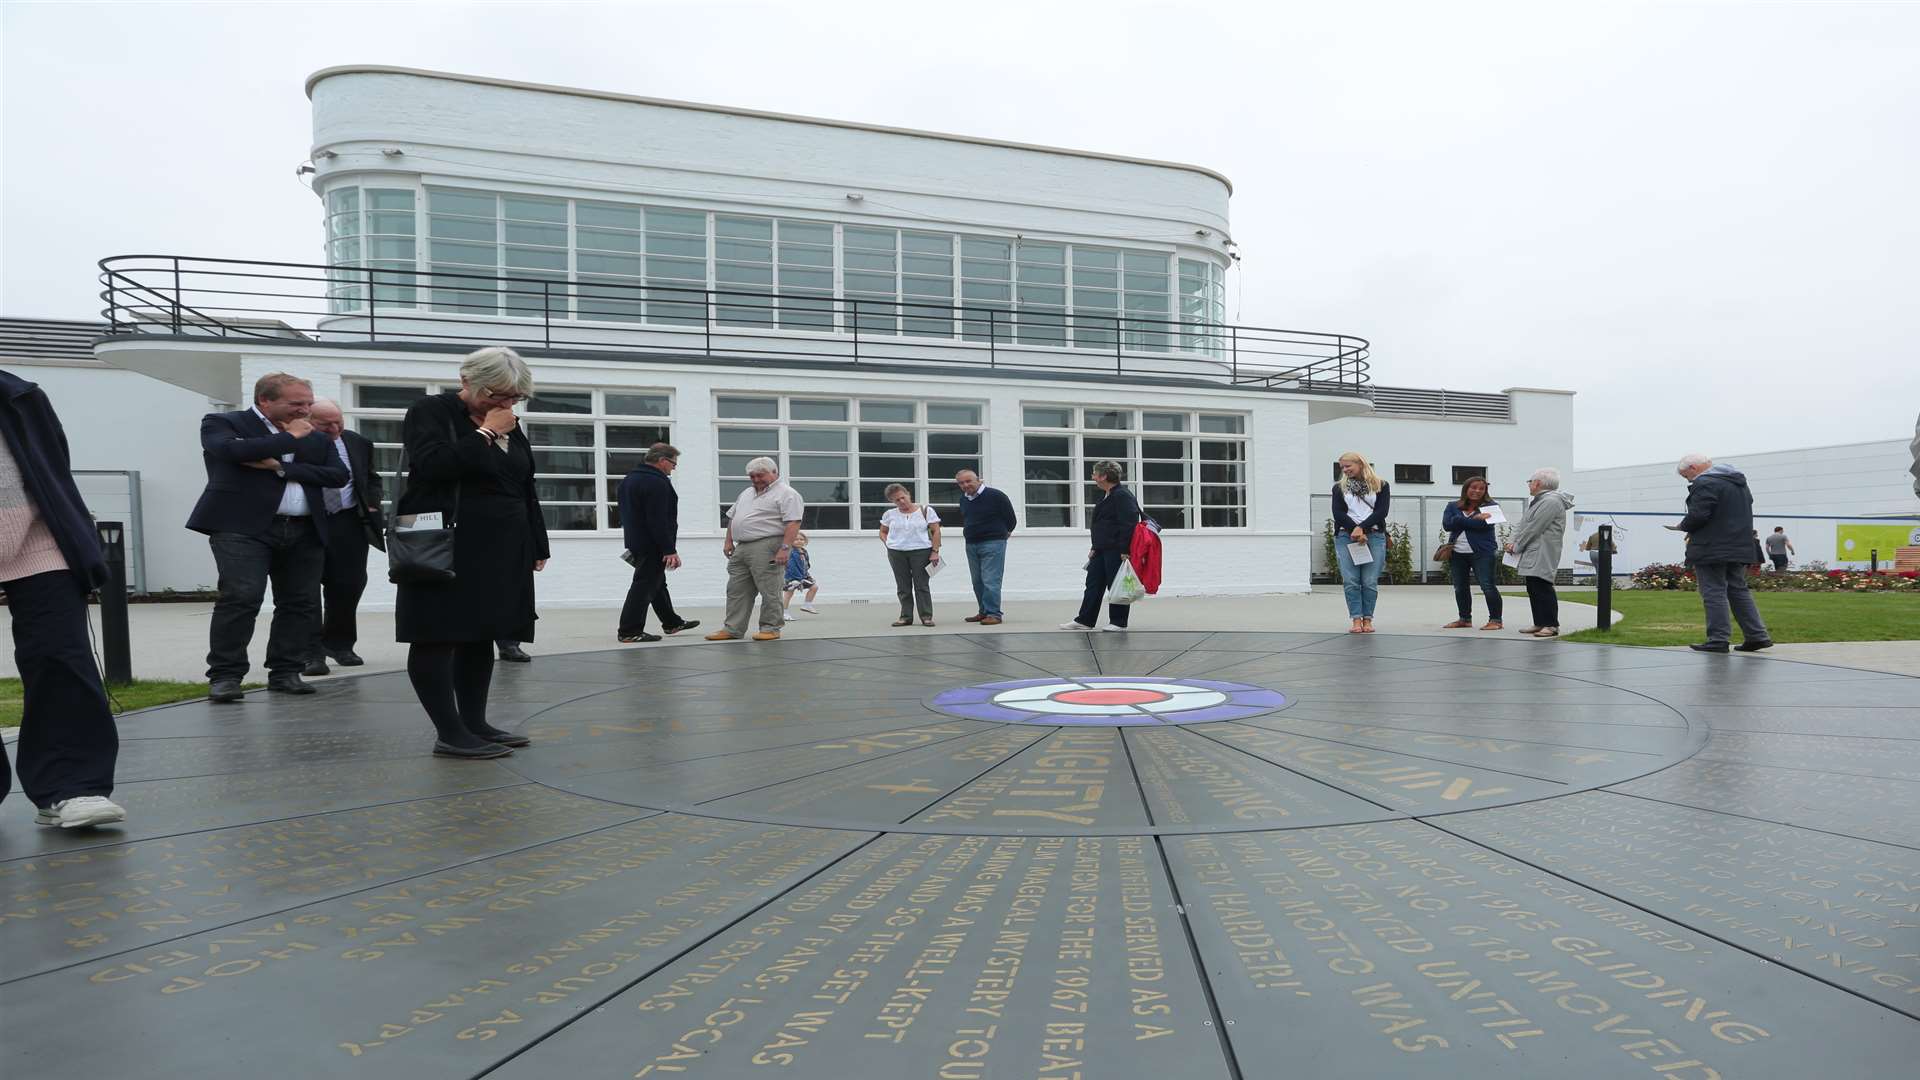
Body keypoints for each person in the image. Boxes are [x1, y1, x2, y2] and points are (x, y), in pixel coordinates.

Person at [394, 347, 549, 758]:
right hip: (447, 545)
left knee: (480, 632)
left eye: (514, 397)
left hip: (499, 547)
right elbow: (431, 467)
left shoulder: (508, 422)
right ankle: (449, 731)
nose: (505, 404)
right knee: (437, 634)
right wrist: (486, 433)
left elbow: (523, 484)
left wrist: (536, 541)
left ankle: (475, 722)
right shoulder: (431, 412)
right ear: (467, 382)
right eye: (496, 395)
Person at [0, 370, 126, 828]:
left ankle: (71, 787)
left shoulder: (19, 394)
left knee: (61, 655)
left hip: (37, 536)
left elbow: (52, 468)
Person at [186, 372, 349, 700]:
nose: (304, 410)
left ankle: (286, 672)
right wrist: (290, 439)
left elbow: (338, 475)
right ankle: (226, 676)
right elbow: (232, 452)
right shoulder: (223, 422)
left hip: (303, 529)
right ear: (265, 400)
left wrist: (282, 467)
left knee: (300, 603)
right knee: (242, 597)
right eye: (295, 404)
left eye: (307, 403)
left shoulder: (316, 437)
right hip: (242, 528)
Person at [303, 399, 384, 674]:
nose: (334, 428)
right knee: (307, 588)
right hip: (309, 522)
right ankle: (311, 652)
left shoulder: (357, 442)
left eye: (338, 421)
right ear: (308, 420)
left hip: (349, 522)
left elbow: (371, 478)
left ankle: (339, 644)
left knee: (349, 584)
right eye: (325, 424)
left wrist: (372, 502)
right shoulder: (295, 442)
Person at [1675, 454, 1772, 653]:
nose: (1689, 480)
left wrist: (1682, 526)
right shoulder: (1738, 483)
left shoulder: (1705, 483)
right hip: (1739, 546)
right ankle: (1757, 636)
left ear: (1694, 468)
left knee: (1713, 591)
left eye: (1687, 476)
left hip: (1711, 546)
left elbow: (1700, 514)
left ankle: (1718, 639)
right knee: (1738, 590)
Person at [707, 456, 802, 642]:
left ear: (774, 473)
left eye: (760, 475)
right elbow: (733, 518)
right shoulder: (746, 493)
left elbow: (793, 522)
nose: (756, 479)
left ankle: (771, 627)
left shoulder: (787, 493)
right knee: (736, 589)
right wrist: (728, 541)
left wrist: (785, 548)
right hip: (742, 546)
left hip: (768, 545)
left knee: (769, 589)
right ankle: (732, 628)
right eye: (752, 476)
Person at [616, 442, 699, 643]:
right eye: (673, 463)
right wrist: (669, 549)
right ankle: (629, 630)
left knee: (657, 583)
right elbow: (658, 519)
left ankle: (671, 622)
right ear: (662, 461)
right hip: (653, 544)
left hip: (637, 541)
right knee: (643, 585)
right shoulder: (656, 482)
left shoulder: (630, 479)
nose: (673, 468)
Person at [1060, 459, 1140, 632]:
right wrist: (1094, 547)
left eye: (1095, 474)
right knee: (1093, 584)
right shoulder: (1107, 494)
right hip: (1102, 548)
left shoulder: (1122, 495)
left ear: (1104, 475)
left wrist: (1125, 550)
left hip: (1117, 550)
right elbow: (1102, 524)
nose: (1093, 477)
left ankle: (1118, 622)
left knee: (1116, 584)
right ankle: (1085, 620)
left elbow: (1129, 523)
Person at [1506, 468, 1573, 638]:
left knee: (1542, 586)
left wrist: (1517, 546)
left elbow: (1534, 528)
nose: (1529, 485)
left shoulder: (1551, 501)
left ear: (1538, 483)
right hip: (1533, 550)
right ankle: (1540, 622)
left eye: (1530, 481)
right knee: (1533, 586)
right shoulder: (1539, 501)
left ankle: (1551, 625)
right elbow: (1523, 524)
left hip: (1543, 550)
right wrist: (1512, 541)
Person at [1330, 451, 1389, 634]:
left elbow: (1381, 511)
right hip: (1346, 536)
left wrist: (1362, 527)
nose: (1345, 470)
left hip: (1374, 536)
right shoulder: (1339, 488)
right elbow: (1338, 513)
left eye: (1348, 466)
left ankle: (1368, 619)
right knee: (1351, 580)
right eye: (1342, 467)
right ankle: (1356, 619)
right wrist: (1353, 529)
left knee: (1370, 581)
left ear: (1361, 464)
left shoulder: (1381, 485)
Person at [1440, 474, 1502, 630]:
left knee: (1487, 586)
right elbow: (1447, 525)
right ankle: (1464, 619)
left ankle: (1496, 620)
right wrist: (1475, 519)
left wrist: (1459, 520)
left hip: (1483, 552)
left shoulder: (1492, 506)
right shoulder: (1452, 505)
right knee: (1460, 587)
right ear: (1466, 488)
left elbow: (1485, 526)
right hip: (1457, 552)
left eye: (1481, 488)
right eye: (1473, 487)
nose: (1477, 491)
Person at [956, 469, 1016, 625]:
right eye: (961, 483)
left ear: (979, 480)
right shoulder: (963, 499)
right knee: (977, 581)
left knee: (990, 580)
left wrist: (1003, 533)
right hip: (971, 544)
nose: (965, 485)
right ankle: (983, 612)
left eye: (968, 481)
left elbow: (1011, 519)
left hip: (993, 543)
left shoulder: (996, 496)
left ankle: (994, 614)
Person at [878, 483, 942, 627]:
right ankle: (906, 616)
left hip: (921, 551)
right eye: (896, 500)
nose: (901, 501)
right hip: (897, 553)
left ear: (908, 494)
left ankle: (926, 616)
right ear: (892, 502)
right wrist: (888, 543)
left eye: (902, 497)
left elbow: (936, 531)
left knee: (921, 584)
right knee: (903, 586)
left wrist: (935, 552)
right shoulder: (889, 514)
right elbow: (882, 531)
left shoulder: (926, 511)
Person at [783, 532, 818, 618]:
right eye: (796, 539)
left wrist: (806, 574)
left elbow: (805, 564)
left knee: (814, 587)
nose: (799, 541)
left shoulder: (803, 551)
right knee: (789, 594)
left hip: (803, 576)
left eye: (801, 539)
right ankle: (784, 613)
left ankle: (807, 605)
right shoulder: (791, 552)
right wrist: (795, 579)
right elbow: (791, 566)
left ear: (805, 541)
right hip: (792, 577)